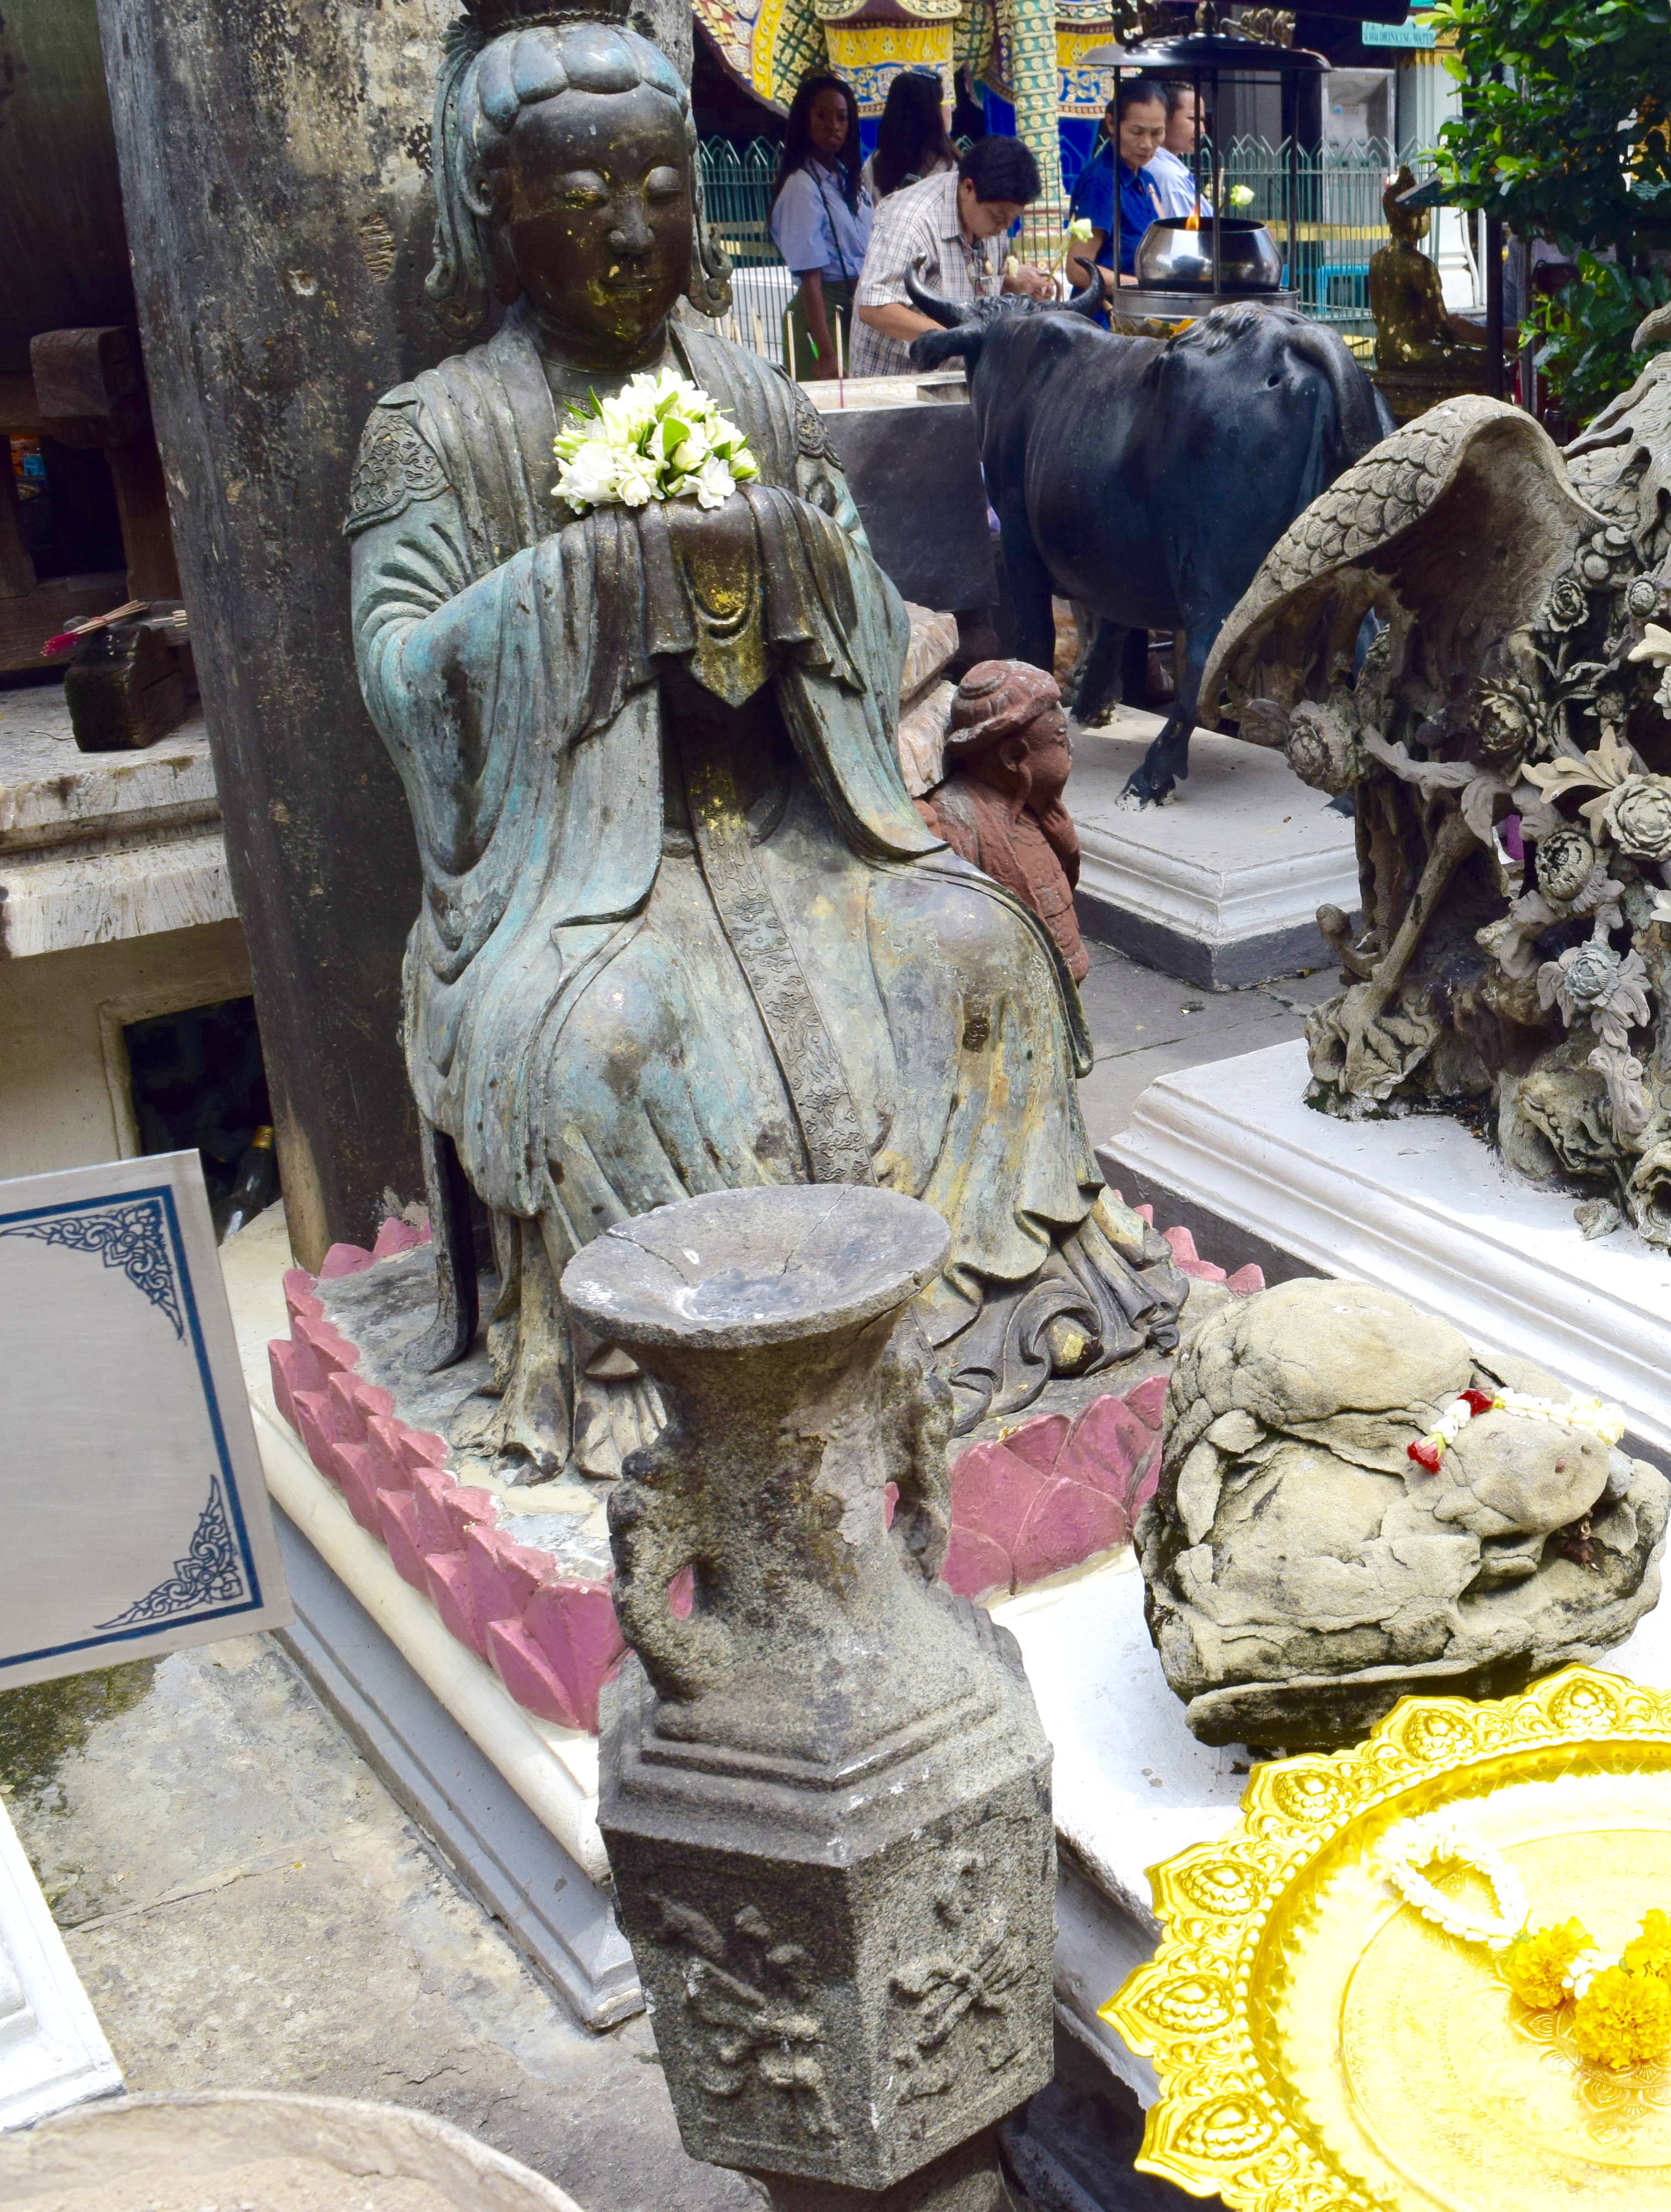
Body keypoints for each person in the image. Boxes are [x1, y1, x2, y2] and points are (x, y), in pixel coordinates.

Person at [350, 8, 1180, 1472]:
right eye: (581, 201)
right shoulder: (437, 431)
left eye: (662, 195)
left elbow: (873, 622)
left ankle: (989, 1304)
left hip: (800, 821)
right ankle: (683, 1380)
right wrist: (593, 579)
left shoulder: (747, 393)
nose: (629, 235)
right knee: (608, 1048)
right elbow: (401, 678)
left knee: (985, 954)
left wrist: (783, 554)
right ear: (496, 215)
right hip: (583, 881)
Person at [854, 133, 1054, 377]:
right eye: (999, 217)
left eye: (1012, 220)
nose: (1004, 228)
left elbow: (977, 285)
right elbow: (875, 307)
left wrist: (1014, 285)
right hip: (897, 380)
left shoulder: (989, 217)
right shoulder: (912, 219)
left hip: (960, 377)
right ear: (968, 188)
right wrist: (956, 338)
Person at [767, 71, 867, 383]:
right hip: (821, 317)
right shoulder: (801, 187)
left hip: (855, 310)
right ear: (803, 121)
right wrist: (826, 354)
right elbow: (811, 280)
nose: (834, 126)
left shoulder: (847, 181)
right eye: (822, 116)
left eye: (842, 117)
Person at [1067, 78, 1173, 289]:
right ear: (1111, 124)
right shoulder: (1101, 181)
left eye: (1156, 133)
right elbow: (1078, 270)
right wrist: (1143, 288)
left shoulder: (1148, 181)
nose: (1146, 144)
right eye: (1137, 132)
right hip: (1106, 317)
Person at [868, 69, 953, 197]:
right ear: (927, 115)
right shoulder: (948, 170)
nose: (949, 109)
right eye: (942, 103)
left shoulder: (874, 163)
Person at [1148, 81, 1203, 219]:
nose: (1202, 130)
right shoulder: (1169, 178)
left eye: (1202, 120)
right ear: (1164, 118)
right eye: (1192, 118)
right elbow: (1185, 236)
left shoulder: (1171, 170)